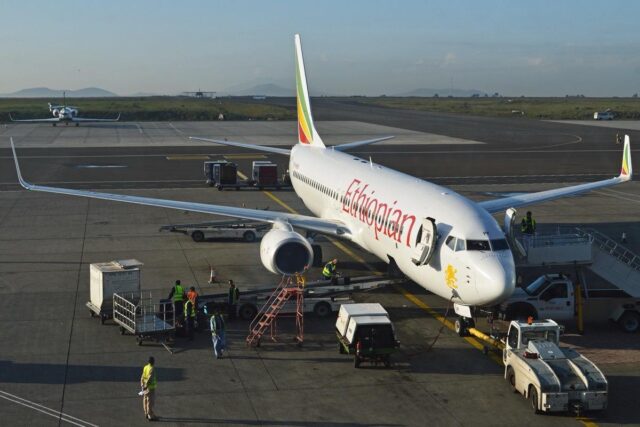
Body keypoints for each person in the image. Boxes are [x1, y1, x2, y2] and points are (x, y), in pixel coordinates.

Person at [140, 356, 157, 421]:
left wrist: (142, 385)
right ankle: (150, 415)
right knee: (150, 401)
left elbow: (142, 376)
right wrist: (146, 386)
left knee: (145, 399)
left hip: (144, 386)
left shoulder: (145, 367)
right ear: (153, 362)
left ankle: (146, 413)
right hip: (150, 388)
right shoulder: (151, 368)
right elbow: (150, 378)